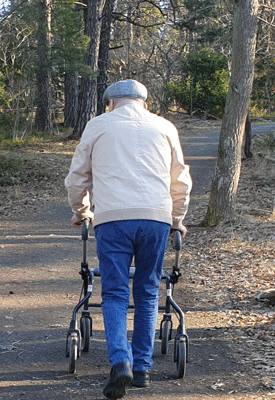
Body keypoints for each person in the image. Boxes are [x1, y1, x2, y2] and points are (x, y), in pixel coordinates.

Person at [64, 79, 192, 399]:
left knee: (116, 294)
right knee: (148, 292)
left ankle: (121, 361)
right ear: (144, 103)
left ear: (111, 103)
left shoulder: (98, 125)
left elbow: (77, 176)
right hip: (155, 220)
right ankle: (143, 369)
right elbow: (180, 181)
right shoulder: (165, 127)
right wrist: (176, 220)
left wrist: (82, 211)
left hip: (112, 220)